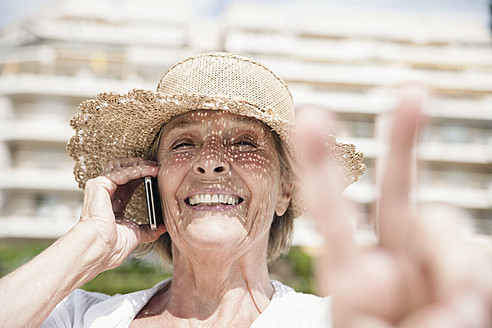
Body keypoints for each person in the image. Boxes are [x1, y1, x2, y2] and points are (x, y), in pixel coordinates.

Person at [0, 52, 489, 328]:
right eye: (185, 142)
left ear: (282, 193)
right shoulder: (81, 317)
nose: (212, 160)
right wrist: (89, 244)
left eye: (244, 142)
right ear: (153, 182)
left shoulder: (331, 321)